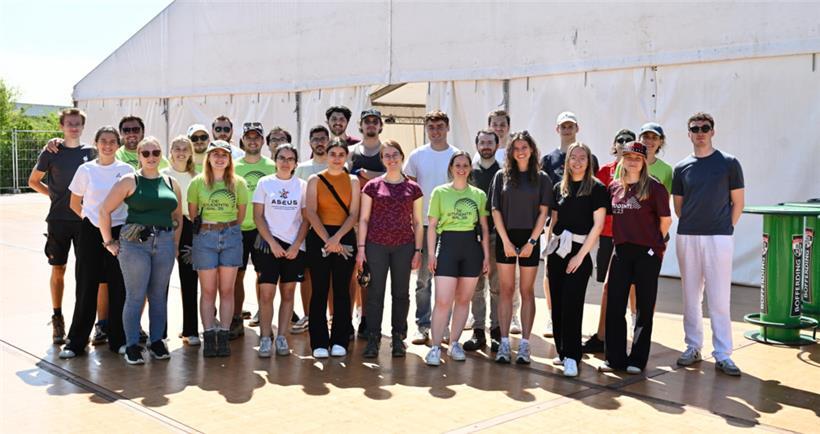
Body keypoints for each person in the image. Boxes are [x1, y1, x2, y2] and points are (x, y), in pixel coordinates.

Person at [100, 137, 183, 365]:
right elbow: (104, 210)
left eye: (155, 152)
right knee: (136, 296)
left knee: (158, 296)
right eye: (145, 153)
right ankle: (132, 345)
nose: (151, 157)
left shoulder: (170, 182)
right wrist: (109, 242)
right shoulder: (130, 180)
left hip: (164, 243)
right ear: (138, 156)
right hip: (135, 245)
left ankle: (157, 341)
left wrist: (173, 244)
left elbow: (177, 216)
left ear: (161, 154)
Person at [673, 112, 744, 376]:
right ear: (689, 133)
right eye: (695, 128)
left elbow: (738, 202)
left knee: (719, 297)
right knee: (690, 296)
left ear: (713, 131)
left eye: (705, 127)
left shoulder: (729, 163)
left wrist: (724, 228)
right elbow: (679, 207)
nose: (700, 132)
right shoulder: (681, 168)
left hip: (719, 238)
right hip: (688, 236)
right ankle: (693, 346)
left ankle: (723, 353)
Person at [58, 125, 132, 359]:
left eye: (112, 141)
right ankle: (76, 342)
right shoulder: (85, 170)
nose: (108, 145)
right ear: (96, 143)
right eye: (104, 141)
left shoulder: (128, 170)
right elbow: (74, 203)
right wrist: (92, 221)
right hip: (91, 232)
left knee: (118, 287)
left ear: (118, 145)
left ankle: (118, 339)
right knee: (86, 286)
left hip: (120, 231)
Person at [599, 141, 671, 374]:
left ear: (643, 162)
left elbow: (665, 221)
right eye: (628, 156)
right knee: (615, 306)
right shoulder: (614, 187)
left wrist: (653, 246)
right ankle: (614, 359)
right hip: (621, 251)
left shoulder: (655, 188)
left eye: (637, 158)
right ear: (622, 159)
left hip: (647, 253)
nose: (632, 161)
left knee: (644, 307)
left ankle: (637, 360)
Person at [28, 108, 96, 345]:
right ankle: (57, 317)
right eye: (69, 123)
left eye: (77, 123)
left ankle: (83, 324)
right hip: (58, 220)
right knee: (59, 269)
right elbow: (33, 181)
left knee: (85, 274)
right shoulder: (51, 152)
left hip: (84, 221)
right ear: (62, 126)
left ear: (82, 126)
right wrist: (54, 196)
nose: (74, 127)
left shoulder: (92, 152)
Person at [356, 140, 423, 358]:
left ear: (402, 157)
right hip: (376, 246)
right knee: (375, 293)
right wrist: (362, 248)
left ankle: (398, 338)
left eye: (395, 155)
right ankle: (374, 337)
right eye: (387, 155)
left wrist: (418, 250)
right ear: (382, 159)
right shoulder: (372, 186)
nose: (392, 159)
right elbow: (364, 219)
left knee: (401, 293)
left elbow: (418, 220)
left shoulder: (413, 188)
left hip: (404, 245)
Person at [491, 131, 554, 364]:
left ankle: (525, 345)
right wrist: (505, 241)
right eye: (516, 147)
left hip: (530, 239)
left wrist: (532, 242)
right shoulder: (501, 176)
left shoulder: (542, 178)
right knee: (506, 290)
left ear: (532, 149)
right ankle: (504, 343)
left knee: (527, 292)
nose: (520, 151)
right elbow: (495, 210)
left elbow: (543, 212)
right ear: (510, 151)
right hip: (506, 238)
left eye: (524, 147)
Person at [546, 142, 608, 377]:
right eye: (574, 157)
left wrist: (580, 256)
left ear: (589, 161)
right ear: (567, 161)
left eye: (583, 157)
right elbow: (553, 221)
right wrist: (549, 247)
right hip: (557, 252)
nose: (578, 161)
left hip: (579, 253)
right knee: (558, 304)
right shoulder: (558, 188)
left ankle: (573, 355)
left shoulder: (597, 189)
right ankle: (562, 353)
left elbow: (598, 225)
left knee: (572, 304)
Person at [424, 151, 490, 366]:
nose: (461, 168)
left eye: (465, 165)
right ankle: (435, 346)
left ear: (470, 168)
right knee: (443, 300)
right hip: (448, 246)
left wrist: (486, 256)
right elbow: (432, 226)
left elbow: (484, 228)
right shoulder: (440, 192)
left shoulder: (479, 195)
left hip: (471, 247)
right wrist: (432, 253)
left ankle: (454, 343)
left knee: (463, 300)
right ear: (451, 168)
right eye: (457, 164)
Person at [540, 111, 599, 338]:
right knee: (550, 273)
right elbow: (545, 194)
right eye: (563, 126)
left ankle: (570, 326)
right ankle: (552, 314)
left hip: (579, 231)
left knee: (575, 279)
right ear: (557, 129)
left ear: (577, 128)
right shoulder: (548, 159)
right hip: (556, 226)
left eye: (570, 126)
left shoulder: (588, 157)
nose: (567, 129)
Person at [188, 140, 249, 357]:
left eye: (225, 154)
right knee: (207, 291)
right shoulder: (197, 183)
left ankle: (223, 335)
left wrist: (227, 226)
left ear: (230, 159)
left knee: (227, 290)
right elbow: (193, 212)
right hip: (205, 237)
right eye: (216, 154)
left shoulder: (238, 183)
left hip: (231, 235)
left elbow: (241, 214)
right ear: (209, 157)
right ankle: (209, 336)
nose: (220, 158)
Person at [403, 110, 458, 345]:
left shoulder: (457, 155)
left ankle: (444, 325)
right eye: (431, 127)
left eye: (439, 126)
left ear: (447, 128)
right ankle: (422, 324)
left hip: (452, 228)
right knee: (423, 280)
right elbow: (408, 191)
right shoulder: (416, 156)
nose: (435, 131)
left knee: (447, 280)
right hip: (424, 227)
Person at [304, 139, 360, 358]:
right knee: (319, 290)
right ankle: (318, 341)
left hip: (344, 235)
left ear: (346, 156)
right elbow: (311, 211)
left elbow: (354, 214)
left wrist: (337, 238)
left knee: (342, 290)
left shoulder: (353, 180)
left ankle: (340, 339)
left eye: (341, 153)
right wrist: (328, 239)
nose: (337, 157)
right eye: (332, 153)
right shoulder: (314, 180)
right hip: (320, 236)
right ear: (326, 156)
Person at [252, 144, 309, 357]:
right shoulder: (264, 183)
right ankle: (266, 337)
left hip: (295, 247)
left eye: (290, 158)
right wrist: (273, 243)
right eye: (282, 158)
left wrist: (295, 246)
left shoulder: (302, 186)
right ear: (275, 160)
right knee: (267, 293)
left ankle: (283, 337)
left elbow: (306, 219)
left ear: (295, 163)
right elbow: (258, 216)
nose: (286, 162)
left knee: (288, 292)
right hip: (269, 246)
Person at [582, 128, 635, 354]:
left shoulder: (639, 173)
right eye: (620, 140)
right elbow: (598, 206)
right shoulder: (605, 171)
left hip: (631, 239)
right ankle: (603, 335)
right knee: (607, 288)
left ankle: (626, 334)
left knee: (629, 288)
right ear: (614, 146)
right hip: (607, 238)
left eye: (628, 141)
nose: (623, 143)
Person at [231, 122, 277, 340]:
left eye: (257, 137)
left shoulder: (272, 166)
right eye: (248, 137)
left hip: (264, 231)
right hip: (238, 229)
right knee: (236, 275)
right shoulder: (232, 165)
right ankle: (236, 318)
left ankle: (263, 319)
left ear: (262, 141)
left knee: (263, 276)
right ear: (242, 140)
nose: (252, 141)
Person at [348, 108, 387, 338]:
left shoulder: (386, 150)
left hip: (379, 220)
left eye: (375, 121)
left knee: (372, 273)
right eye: (367, 121)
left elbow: (393, 176)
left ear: (380, 125)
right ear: (361, 126)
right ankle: (349, 317)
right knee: (352, 271)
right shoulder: (351, 151)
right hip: (353, 219)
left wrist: (368, 175)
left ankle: (366, 318)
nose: (371, 125)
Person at [291, 125, 332, 334]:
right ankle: (308, 315)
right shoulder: (302, 168)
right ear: (310, 143)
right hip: (307, 229)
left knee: (332, 275)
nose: (319, 142)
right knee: (306, 274)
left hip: (333, 227)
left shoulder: (338, 165)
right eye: (315, 139)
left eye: (323, 138)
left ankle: (332, 318)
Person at [464, 129, 502, 353]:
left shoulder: (504, 172)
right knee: (476, 286)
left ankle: (496, 330)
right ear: (477, 144)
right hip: (472, 236)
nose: (486, 146)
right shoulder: (469, 171)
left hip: (497, 236)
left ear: (497, 145)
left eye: (490, 142)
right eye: (482, 142)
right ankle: (478, 331)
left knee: (496, 286)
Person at [162, 135, 200, 345]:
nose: (181, 152)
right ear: (171, 151)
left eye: (185, 148)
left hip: (189, 231)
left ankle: (190, 330)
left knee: (189, 280)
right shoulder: (162, 175)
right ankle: (160, 333)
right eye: (177, 148)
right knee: (161, 282)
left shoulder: (197, 176)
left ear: (191, 153)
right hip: (166, 228)